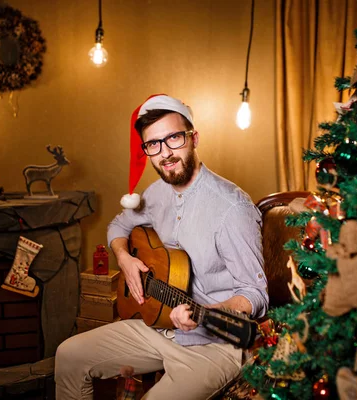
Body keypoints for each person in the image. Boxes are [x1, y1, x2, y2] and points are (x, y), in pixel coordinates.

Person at [55, 94, 269, 400]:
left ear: (194, 138)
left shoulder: (232, 208)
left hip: (215, 346)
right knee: (69, 355)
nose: (165, 153)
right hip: (157, 327)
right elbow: (118, 225)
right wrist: (125, 258)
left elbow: (255, 293)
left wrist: (206, 312)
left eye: (174, 138)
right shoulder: (156, 193)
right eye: (153, 144)